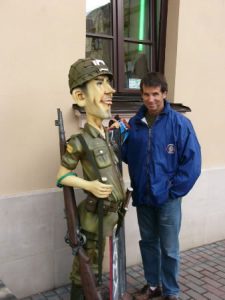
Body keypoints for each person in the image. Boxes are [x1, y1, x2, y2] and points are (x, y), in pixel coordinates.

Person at [122, 72, 201, 300]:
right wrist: (118, 139)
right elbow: (129, 156)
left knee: (169, 248)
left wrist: (172, 191)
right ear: (142, 95)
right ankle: (153, 286)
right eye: (146, 94)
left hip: (167, 199)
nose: (151, 99)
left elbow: (192, 164)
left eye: (155, 93)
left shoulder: (180, 124)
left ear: (164, 94)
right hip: (144, 197)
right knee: (148, 243)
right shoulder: (136, 124)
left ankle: (171, 291)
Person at [56, 58, 128, 300]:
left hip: (109, 216)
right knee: (84, 272)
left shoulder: (106, 136)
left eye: (108, 82)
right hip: (92, 219)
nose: (110, 90)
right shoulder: (79, 141)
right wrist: (89, 185)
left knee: (97, 272)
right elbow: (62, 176)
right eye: (100, 83)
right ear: (80, 97)